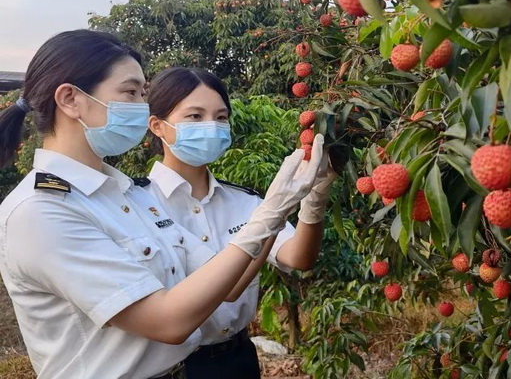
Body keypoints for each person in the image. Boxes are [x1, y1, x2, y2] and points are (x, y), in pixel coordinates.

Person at [0, 30, 324, 379]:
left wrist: (294, 207)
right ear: (70, 99)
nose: (142, 107)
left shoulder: (126, 197)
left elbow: (226, 288)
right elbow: (168, 321)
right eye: (130, 93)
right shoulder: (42, 211)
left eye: (143, 93)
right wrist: (269, 216)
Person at [143, 67, 336, 378]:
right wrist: (273, 214)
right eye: (195, 116)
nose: (211, 126)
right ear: (158, 126)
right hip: (174, 366)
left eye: (220, 117)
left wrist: (314, 200)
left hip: (239, 357)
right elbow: (227, 289)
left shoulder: (244, 202)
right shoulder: (135, 205)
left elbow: (298, 257)